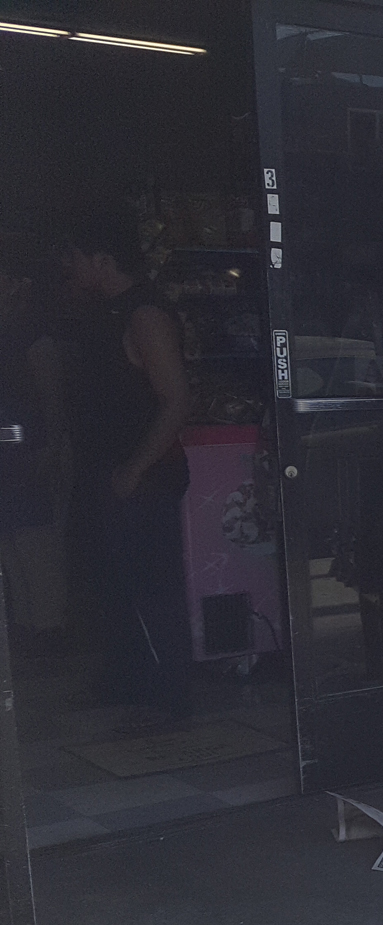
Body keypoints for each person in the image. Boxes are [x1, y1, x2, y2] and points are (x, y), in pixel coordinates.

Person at [54, 206, 194, 724]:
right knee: (115, 580)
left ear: (102, 258)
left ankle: (170, 689)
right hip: (116, 468)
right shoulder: (110, 312)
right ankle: (133, 677)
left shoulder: (144, 314)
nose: (67, 265)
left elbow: (176, 398)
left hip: (142, 472)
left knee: (151, 583)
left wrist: (135, 469)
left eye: (74, 255)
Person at [0, 236, 72, 650]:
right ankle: (31, 630)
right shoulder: (10, 332)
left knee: (36, 540)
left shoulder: (35, 334)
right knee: (12, 539)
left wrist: (48, 449)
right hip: (11, 451)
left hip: (36, 451)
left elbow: (52, 400)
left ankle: (49, 631)